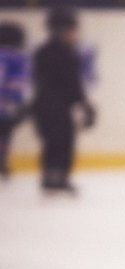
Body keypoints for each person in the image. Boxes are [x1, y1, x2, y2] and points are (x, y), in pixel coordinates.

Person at [30, 6, 95, 196]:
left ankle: (55, 177)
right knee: (59, 140)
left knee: (61, 140)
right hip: (50, 106)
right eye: (72, 30)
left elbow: (71, 84)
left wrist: (84, 104)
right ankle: (54, 177)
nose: (75, 34)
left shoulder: (57, 52)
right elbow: (68, 84)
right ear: (60, 30)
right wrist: (83, 103)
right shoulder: (57, 53)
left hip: (52, 105)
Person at [0, 20, 29, 180]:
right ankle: (3, 160)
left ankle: (3, 160)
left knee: (5, 133)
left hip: (5, 104)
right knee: (6, 134)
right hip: (7, 105)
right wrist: (18, 102)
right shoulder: (16, 57)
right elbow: (17, 85)